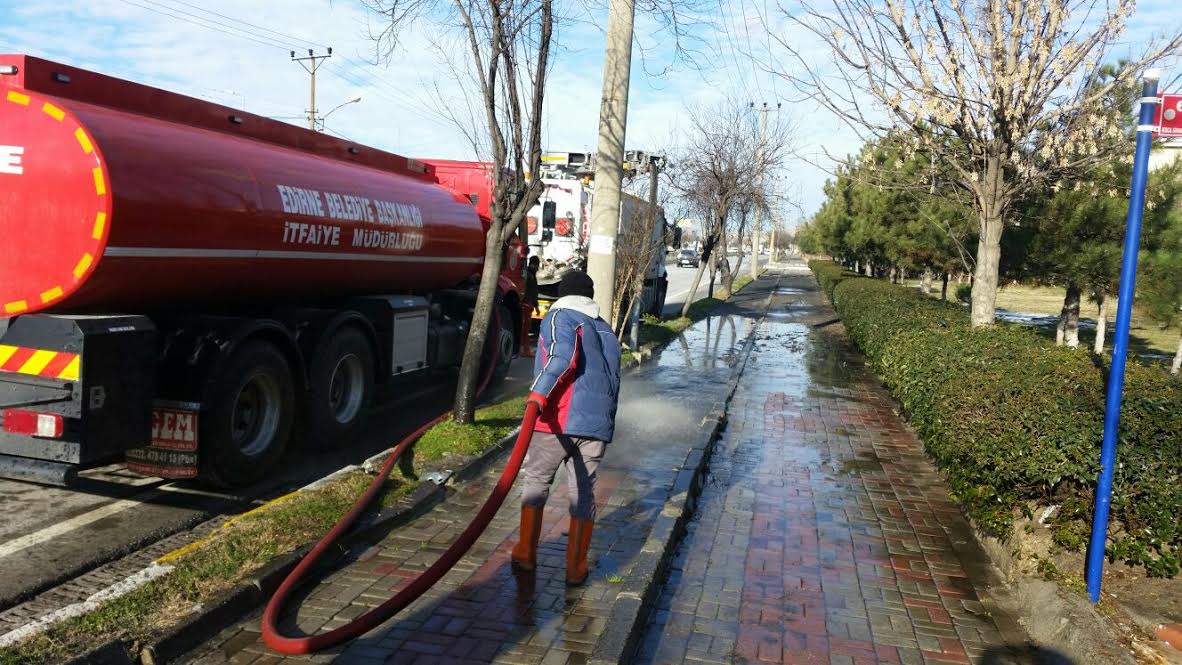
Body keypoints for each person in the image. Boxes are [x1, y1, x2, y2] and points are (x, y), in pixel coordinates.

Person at [511, 270, 621, 586]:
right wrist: (605, 424)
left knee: (536, 481)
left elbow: (562, 357)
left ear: (563, 293)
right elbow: (614, 380)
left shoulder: (560, 316)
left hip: (557, 420)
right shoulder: (605, 329)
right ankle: (576, 568)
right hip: (595, 427)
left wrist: (538, 394)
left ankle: (526, 554)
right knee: (583, 493)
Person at [520, 255, 541, 357]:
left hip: (524, 304)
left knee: (524, 328)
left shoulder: (527, 274)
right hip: (527, 304)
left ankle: (523, 348)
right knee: (525, 329)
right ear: (536, 265)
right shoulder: (530, 276)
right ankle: (525, 350)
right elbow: (533, 293)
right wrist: (536, 307)